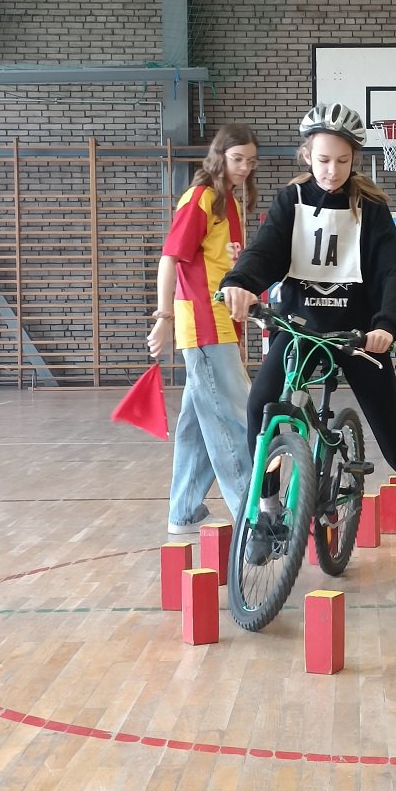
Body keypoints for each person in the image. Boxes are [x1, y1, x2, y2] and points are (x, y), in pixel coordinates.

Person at [219, 101, 396, 575]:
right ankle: (268, 513)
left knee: (395, 444)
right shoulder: (290, 202)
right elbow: (264, 252)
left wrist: (385, 324)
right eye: (322, 160)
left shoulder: (370, 209)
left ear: (354, 158)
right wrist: (240, 282)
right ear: (306, 156)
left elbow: (392, 270)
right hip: (300, 330)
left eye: (341, 160)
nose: (331, 170)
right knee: (261, 409)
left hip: (357, 336)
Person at [147, 124, 258, 534]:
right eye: (237, 159)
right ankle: (253, 518)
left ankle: (185, 511)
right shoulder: (201, 198)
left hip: (223, 326)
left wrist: (240, 331)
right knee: (234, 421)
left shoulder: (231, 205)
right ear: (219, 157)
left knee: (196, 426)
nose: (244, 167)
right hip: (203, 326)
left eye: (250, 161)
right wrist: (164, 319)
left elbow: (226, 274)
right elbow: (170, 259)